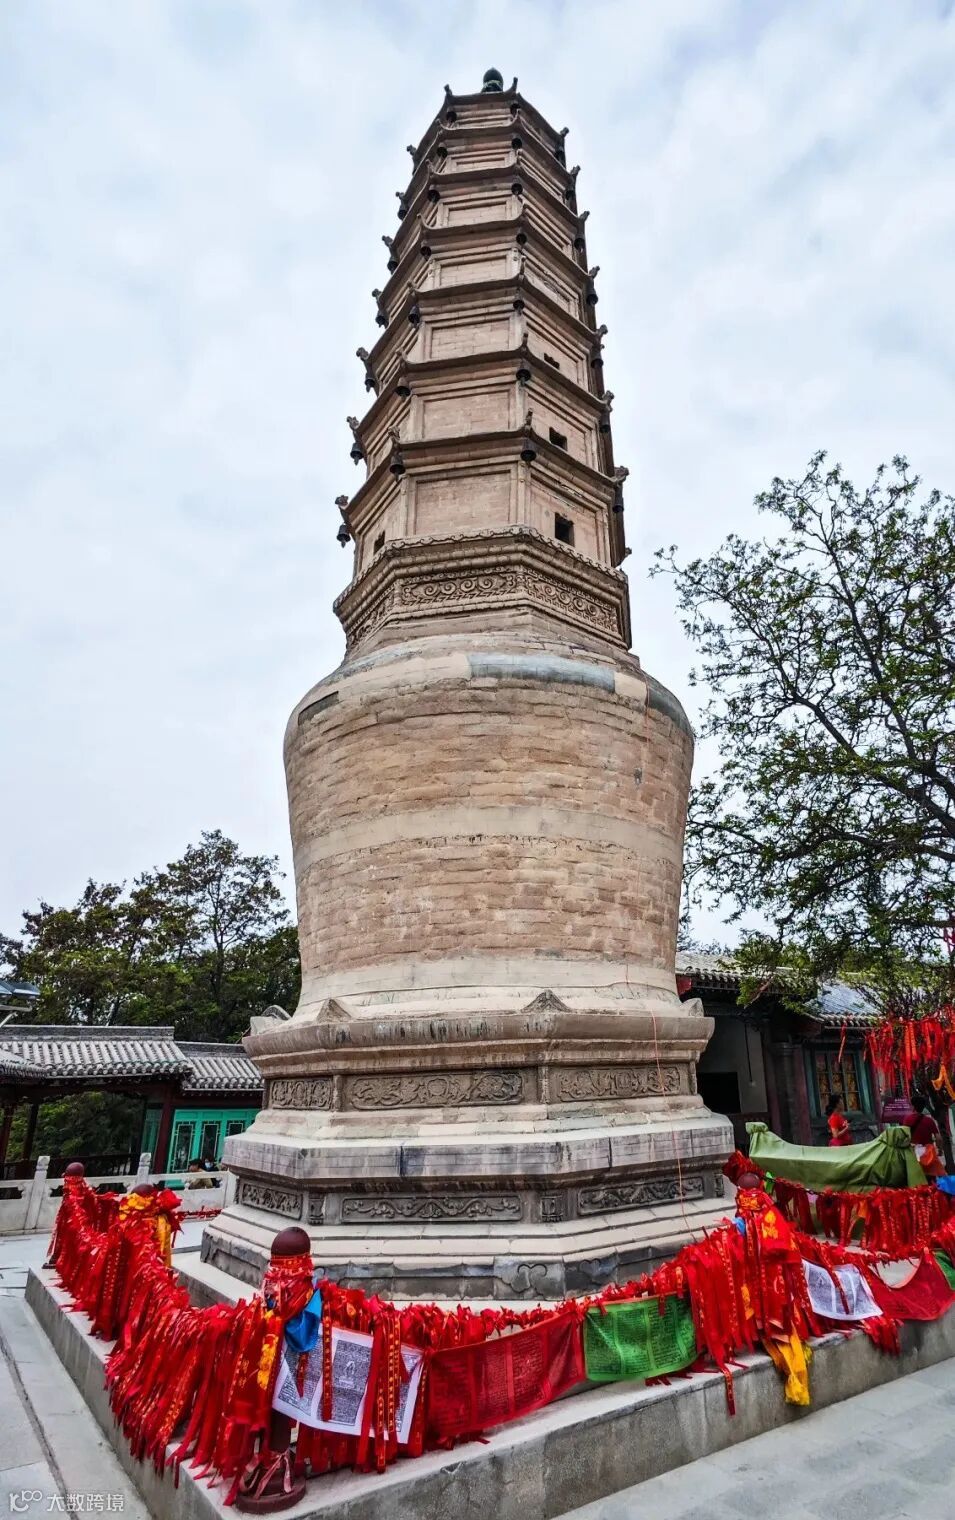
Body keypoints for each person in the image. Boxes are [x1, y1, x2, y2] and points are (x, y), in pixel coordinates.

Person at [905, 1096, 945, 1177]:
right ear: (923, 1107)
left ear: (913, 1106)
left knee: (918, 1178)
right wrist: (940, 1150)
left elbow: (905, 1136)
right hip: (928, 1154)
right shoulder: (929, 1120)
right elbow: (938, 1138)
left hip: (914, 1153)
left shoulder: (907, 1119)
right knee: (931, 1177)